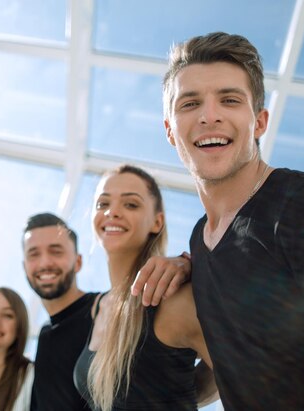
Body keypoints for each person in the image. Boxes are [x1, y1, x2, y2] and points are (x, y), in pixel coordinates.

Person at [162, 31, 304, 410]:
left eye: (230, 99)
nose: (209, 115)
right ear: (170, 130)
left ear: (259, 122)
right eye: (189, 103)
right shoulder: (199, 243)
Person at [73, 164, 216, 411]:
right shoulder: (100, 307)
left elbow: (251, 374)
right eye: (102, 204)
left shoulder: (170, 298)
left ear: (157, 222)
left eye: (130, 204)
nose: (112, 212)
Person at [22, 213, 195, 411]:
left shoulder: (109, 310)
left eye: (56, 251)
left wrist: (187, 265)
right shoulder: (45, 333)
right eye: (34, 254)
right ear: (24, 266)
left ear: (78, 262)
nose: (45, 263)